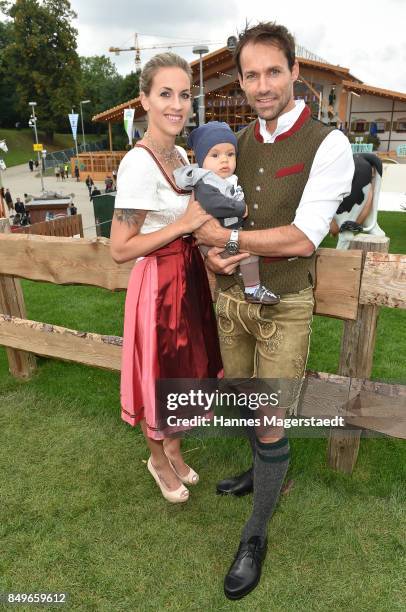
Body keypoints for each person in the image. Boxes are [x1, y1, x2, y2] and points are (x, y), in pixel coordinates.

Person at [194, 22, 354, 600]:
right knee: (243, 394)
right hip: (232, 300)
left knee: (269, 415)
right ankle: (265, 474)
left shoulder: (327, 143)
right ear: (240, 81)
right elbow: (210, 216)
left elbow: (304, 239)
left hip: (284, 301)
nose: (263, 84)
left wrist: (230, 245)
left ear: (295, 74)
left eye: (273, 71)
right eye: (252, 74)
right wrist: (211, 255)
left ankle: (255, 535)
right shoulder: (235, 142)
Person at [110, 52, 222, 504]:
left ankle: (173, 449)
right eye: (165, 95)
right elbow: (120, 248)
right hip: (156, 280)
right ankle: (157, 460)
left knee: (183, 370)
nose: (176, 105)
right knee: (160, 375)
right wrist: (181, 226)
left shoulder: (177, 153)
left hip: (186, 273)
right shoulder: (138, 163)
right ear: (144, 101)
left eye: (183, 95)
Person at [174, 121, 279, 304]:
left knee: (247, 248)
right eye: (215, 155)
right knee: (248, 251)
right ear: (201, 159)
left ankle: (250, 286)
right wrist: (240, 208)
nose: (224, 160)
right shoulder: (205, 182)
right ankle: (252, 288)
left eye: (230, 154)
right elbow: (214, 204)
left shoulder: (228, 180)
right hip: (210, 241)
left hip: (224, 233)